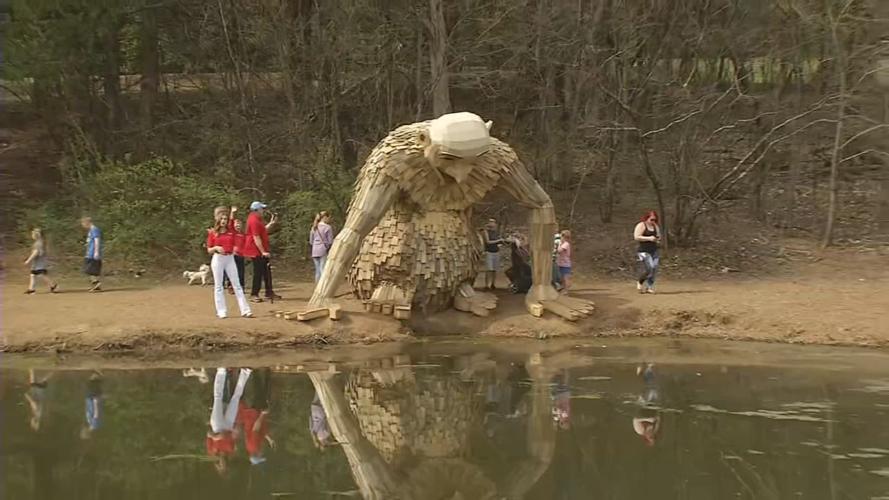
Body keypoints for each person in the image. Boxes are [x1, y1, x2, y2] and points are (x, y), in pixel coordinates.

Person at [206, 210, 253, 318]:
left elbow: (236, 240)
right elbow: (209, 249)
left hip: (230, 258)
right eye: (221, 219)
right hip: (218, 258)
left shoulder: (231, 231)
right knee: (219, 285)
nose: (223, 221)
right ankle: (221, 311)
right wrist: (216, 247)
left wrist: (235, 248)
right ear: (218, 220)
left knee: (237, 284)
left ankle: (245, 310)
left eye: (225, 219)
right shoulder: (214, 233)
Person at [207, 368, 252, 474]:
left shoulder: (212, 451)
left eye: (221, 465)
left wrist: (215, 437)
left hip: (217, 426)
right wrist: (224, 435)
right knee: (235, 399)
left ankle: (221, 372)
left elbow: (208, 434)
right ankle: (245, 373)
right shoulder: (230, 449)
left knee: (218, 398)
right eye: (224, 464)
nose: (222, 463)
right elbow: (230, 436)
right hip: (228, 425)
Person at [243, 201, 280, 303]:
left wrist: (271, 224)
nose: (263, 211)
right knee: (258, 272)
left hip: (260, 249)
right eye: (262, 209)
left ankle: (269, 292)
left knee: (266, 271)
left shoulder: (258, 219)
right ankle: (254, 294)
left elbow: (263, 231)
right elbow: (256, 237)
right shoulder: (253, 220)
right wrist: (263, 251)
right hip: (255, 250)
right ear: (257, 210)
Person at [238, 368, 275, 465]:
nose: (262, 453)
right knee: (264, 394)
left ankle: (257, 371)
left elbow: (255, 429)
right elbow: (260, 433)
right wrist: (269, 439)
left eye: (261, 456)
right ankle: (265, 372)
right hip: (254, 415)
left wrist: (262, 415)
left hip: (254, 415)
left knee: (261, 393)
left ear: (257, 455)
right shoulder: (253, 447)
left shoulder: (254, 446)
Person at [634, 210, 661, 294]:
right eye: (651, 219)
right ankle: (640, 282)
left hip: (654, 250)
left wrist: (657, 239)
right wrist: (648, 238)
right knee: (650, 268)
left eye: (654, 220)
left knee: (654, 268)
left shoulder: (655, 226)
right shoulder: (641, 225)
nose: (653, 221)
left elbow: (659, 236)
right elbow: (636, 237)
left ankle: (649, 287)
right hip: (643, 251)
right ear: (646, 218)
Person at [24, 228, 58, 294]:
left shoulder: (38, 243)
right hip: (37, 262)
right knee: (33, 274)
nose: (32, 235)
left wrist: (28, 260)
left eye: (33, 234)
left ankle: (53, 285)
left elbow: (35, 253)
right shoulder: (39, 242)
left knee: (41, 274)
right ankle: (31, 289)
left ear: (36, 235)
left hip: (39, 262)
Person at [309, 211, 334, 283]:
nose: (329, 220)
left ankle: (317, 286)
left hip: (314, 250)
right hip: (323, 249)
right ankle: (322, 287)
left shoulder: (314, 227)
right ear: (325, 217)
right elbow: (330, 241)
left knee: (317, 270)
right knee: (323, 269)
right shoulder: (328, 227)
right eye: (329, 218)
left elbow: (311, 241)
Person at [81, 217, 103, 292]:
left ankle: (96, 283)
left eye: (83, 223)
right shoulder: (91, 230)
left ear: (87, 222)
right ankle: (96, 284)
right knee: (90, 269)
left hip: (92, 252)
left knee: (89, 268)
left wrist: (96, 252)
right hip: (90, 252)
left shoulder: (94, 229)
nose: (83, 225)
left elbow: (97, 240)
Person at [482, 218, 504, 290]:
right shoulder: (486, 232)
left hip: (496, 251)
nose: (492, 223)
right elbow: (488, 242)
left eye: (493, 222)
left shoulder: (496, 232)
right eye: (490, 222)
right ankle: (487, 285)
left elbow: (499, 242)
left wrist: (501, 242)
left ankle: (493, 284)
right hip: (489, 252)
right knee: (489, 269)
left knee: (494, 269)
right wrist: (498, 240)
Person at [81, 371, 103, 440]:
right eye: (83, 431)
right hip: (93, 401)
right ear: (87, 432)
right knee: (92, 386)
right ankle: (97, 373)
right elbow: (96, 414)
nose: (82, 429)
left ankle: (96, 374)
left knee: (92, 386)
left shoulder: (89, 423)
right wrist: (95, 403)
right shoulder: (94, 425)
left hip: (90, 401)